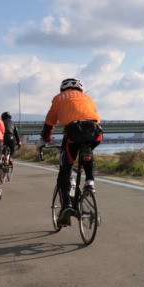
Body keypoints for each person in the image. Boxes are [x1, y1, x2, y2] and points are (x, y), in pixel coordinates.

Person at [40, 78, 103, 227]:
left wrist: (46, 138)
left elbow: (49, 123)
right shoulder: (88, 98)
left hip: (73, 133)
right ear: (81, 89)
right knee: (87, 151)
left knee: (65, 171)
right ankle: (90, 183)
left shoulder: (58, 99)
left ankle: (66, 206)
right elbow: (94, 116)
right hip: (95, 132)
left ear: (63, 89)